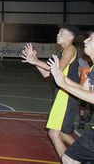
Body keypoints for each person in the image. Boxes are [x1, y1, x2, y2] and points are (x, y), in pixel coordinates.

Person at [21, 25, 80, 158]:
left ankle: (70, 161)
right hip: (62, 95)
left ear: (71, 37)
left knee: (53, 133)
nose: (58, 34)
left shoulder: (70, 49)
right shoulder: (63, 51)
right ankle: (88, 154)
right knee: (63, 134)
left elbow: (58, 69)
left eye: (61, 32)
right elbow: (46, 74)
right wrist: (34, 62)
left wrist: (35, 60)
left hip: (65, 96)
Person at [47, 32, 94, 163]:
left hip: (64, 98)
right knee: (68, 157)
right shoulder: (92, 68)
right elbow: (84, 90)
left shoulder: (69, 49)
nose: (85, 41)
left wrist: (63, 84)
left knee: (56, 135)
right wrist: (63, 79)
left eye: (90, 39)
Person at [77, 55, 93, 130]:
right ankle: (82, 119)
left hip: (91, 87)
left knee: (91, 102)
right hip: (83, 86)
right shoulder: (82, 62)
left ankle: (90, 113)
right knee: (82, 103)